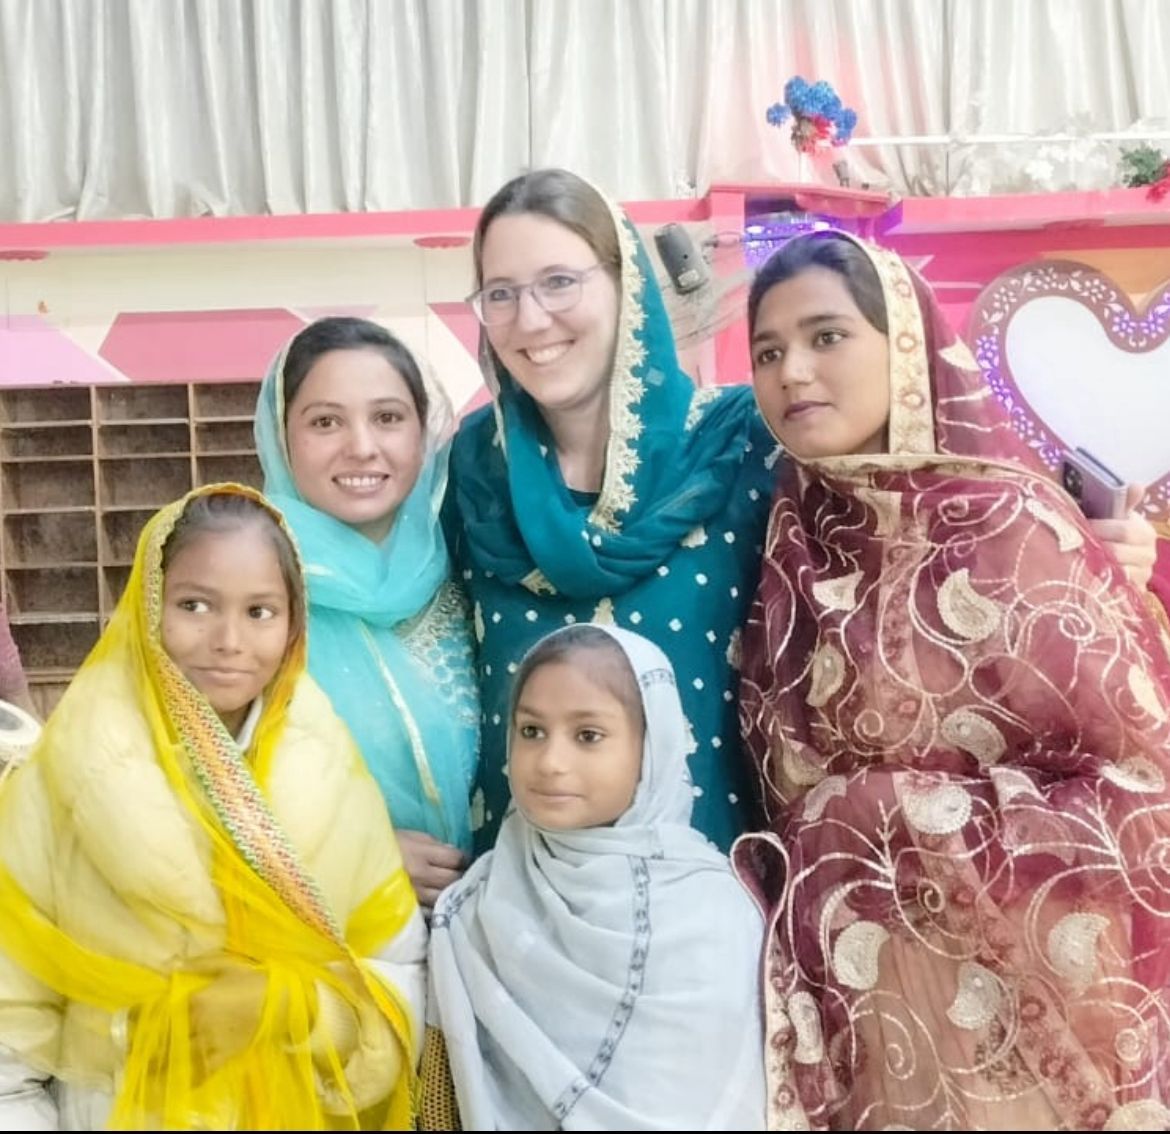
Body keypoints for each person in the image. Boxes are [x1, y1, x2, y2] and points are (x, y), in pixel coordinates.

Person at [734, 229, 1170, 1130]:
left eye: (826, 336)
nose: (792, 372)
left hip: (1022, 1027)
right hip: (869, 1019)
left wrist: (884, 813)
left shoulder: (1009, 523)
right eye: (768, 352)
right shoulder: (794, 528)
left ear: (904, 345)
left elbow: (1139, 790)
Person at [0, 484, 426, 1130]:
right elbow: (9, 1044)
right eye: (194, 605)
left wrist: (295, 1009)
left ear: (294, 624)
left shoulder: (332, 770)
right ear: (148, 605)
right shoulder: (64, 777)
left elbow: (398, 970)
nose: (229, 639)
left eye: (260, 611)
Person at [446, 167, 777, 855]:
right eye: (501, 293)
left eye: (559, 282)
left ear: (628, 285)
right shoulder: (472, 468)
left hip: (704, 883)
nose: (530, 319)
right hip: (516, 891)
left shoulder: (737, 444)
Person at [425, 623, 766, 1130]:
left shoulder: (710, 914)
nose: (550, 762)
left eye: (588, 736)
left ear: (652, 748)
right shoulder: (479, 901)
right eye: (531, 731)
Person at [256, 317, 479, 911]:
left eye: (387, 417)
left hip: (484, 931)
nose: (360, 446)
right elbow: (188, 781)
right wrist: (357, 853)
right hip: (314, 938)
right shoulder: (247, 588)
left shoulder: (475, 568)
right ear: (281, 437)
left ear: (424, 430)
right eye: (325, 422)